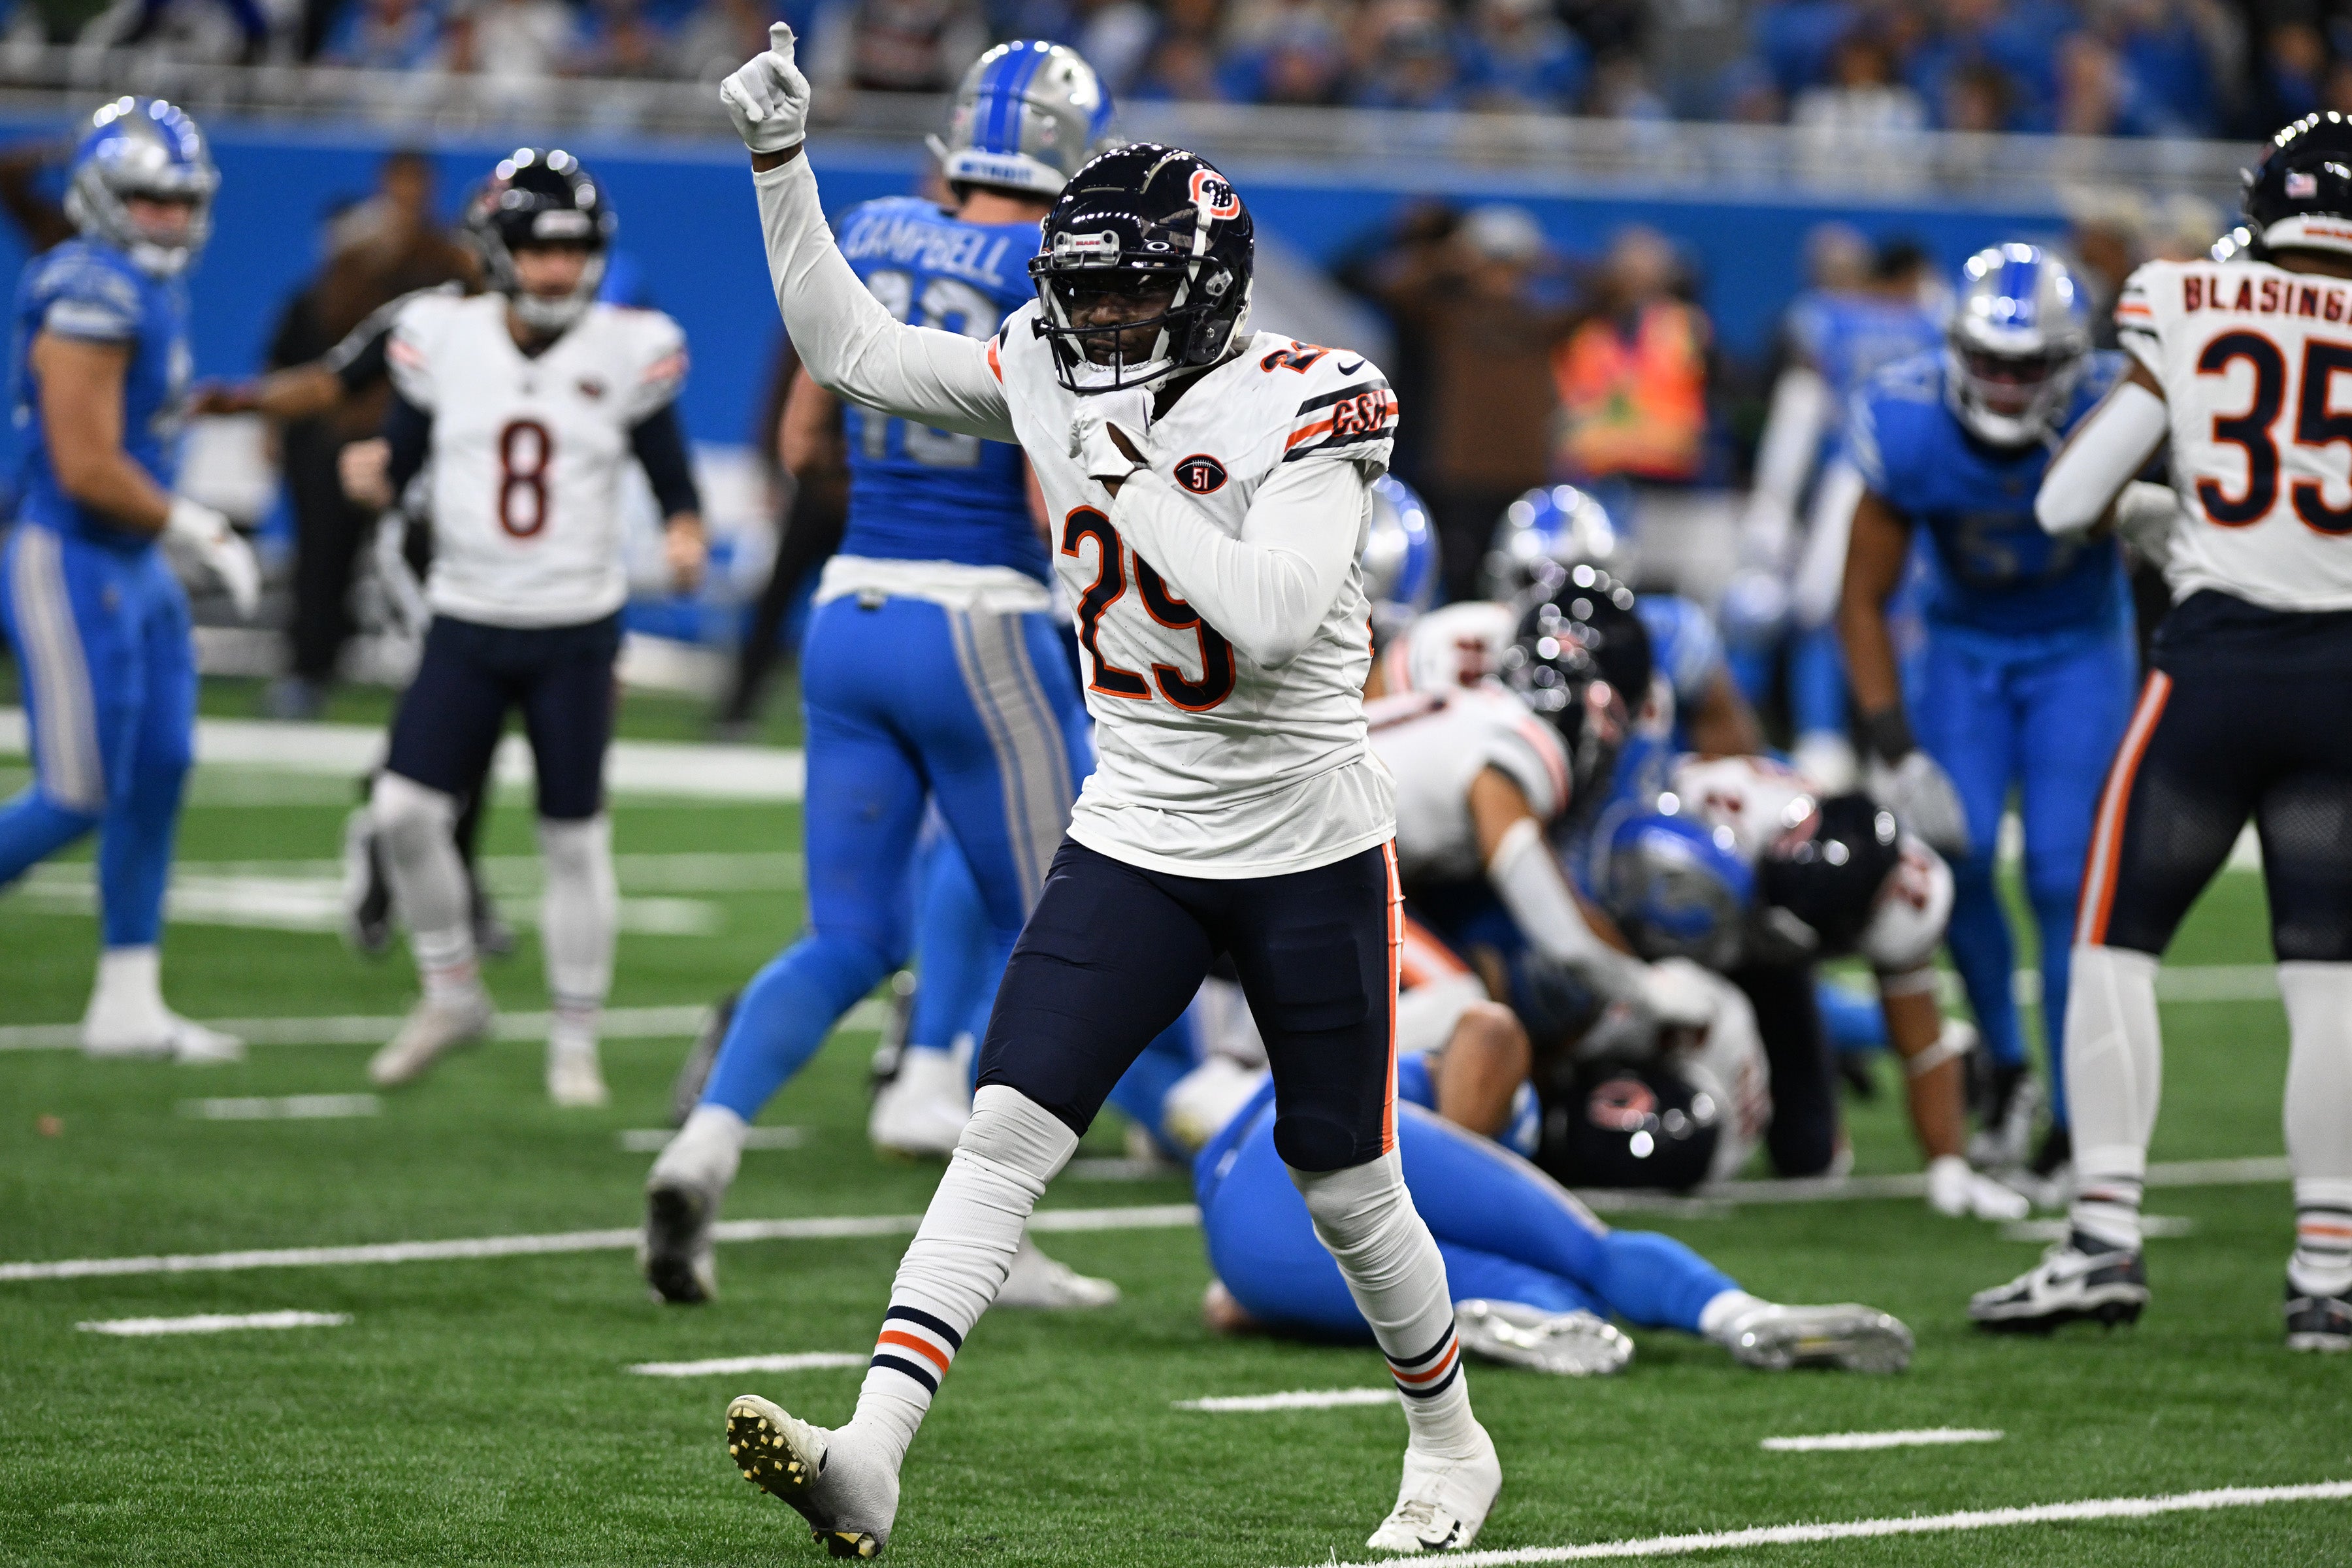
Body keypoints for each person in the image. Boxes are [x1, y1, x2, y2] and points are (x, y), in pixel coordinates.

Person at [712, 24, 1502, 1554]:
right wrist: (778, 162)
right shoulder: (1046, 362)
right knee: (1003, 1129)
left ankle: (1450, 1441)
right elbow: (853, 351)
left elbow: (1274, 612)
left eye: (1131, 289)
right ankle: (871, 1451)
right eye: (1080, 290)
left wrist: (1127, 469)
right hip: (1135, 829)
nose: (1099, 317)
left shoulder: (1314, 394)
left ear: (1206, 286)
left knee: (1345, 1180)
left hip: (1304, 842)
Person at [642, 42, 1111, 1311]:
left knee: (847, 936)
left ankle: (704, 1145)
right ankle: (996, 1239)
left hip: (851, 608)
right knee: (1060, 937)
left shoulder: (873, 226)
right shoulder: (1053, 267)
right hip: (982, 616)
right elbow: (1050, 485)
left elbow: (808, 436)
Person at [1972, 114, 2352, 1351]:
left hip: (2217, 670)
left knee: (2113, 947)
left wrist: (2163, 520)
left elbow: (2068, 499)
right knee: (2331, 976)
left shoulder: (2191, 298)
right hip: (2344, 687)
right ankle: (2329, 1271)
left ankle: (2102, 1240)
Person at [344, 148, 706, 1108]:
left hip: (574, 628)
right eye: (542, 249)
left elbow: (669, 470)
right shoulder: (443, 335)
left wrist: (684, 527)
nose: (558, 269)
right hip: (466, 617)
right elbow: (401, 456)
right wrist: (374, 471)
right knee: (402, 813)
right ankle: (451, 990)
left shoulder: (629, 345)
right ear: (499, 252)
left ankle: (574, 1038)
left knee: (573, 840)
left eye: (575, 250)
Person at [1838, 244, 2133, 1180]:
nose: (2006, 386)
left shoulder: (2119, 404)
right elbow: (1861, 598)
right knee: (1957, 859)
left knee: (2061, 873)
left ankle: (2081, 1119)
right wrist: (1895, 745)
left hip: (2079, 649)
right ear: (1955, 350)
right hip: (1963, 652)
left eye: (2028, 365)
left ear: (2072, 362)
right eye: (1989, 362)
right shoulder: (1908, 420)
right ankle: (2008, 1071)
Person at [0, 98, 256, 1063]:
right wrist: (193, 524)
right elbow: (83, 463)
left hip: (132, 562)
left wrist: (167, 533)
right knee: (77, 791)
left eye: (180, 201)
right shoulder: (89, 287)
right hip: (71, 553)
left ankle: (127, 1003)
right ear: (104, 198)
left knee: (158, 772)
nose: (168, 218)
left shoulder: (147, 287)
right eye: (148, 200)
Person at [1599, 757, 2027, 1219]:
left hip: (1772, 965)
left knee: (1809, 1153)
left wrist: (1947, 1166)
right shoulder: (1709, 812)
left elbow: (1920, 1043)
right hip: (1669, 939)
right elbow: (1612, 900)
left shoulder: (1900, 897)